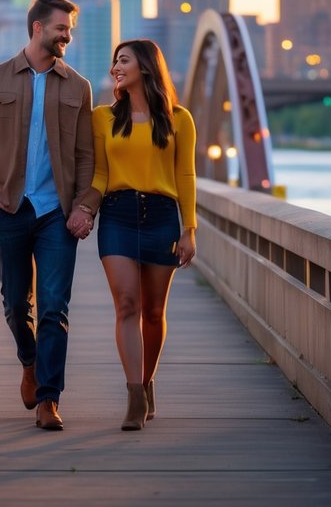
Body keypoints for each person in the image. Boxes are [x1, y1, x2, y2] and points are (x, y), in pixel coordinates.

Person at [0, 0, 96, 431]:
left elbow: (86, 157)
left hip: (57, 213)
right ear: (37, 27)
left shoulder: (78, 87)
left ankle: (48, 400)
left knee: (55, 306)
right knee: (16, 303)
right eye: (61, 28)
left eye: (70, 30)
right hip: (9, 209)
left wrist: (85, 206)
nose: (67, 37)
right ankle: (29, 361)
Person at [87, 39, 197, 431]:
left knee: (153, 311)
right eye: (114, 60)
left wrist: (189, 229)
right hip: (117, 215)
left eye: (124, 60)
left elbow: (185, 175)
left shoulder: (179, 119)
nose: (116, 66)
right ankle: (135, 396)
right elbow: (99, 173)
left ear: (146, 67)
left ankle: (148, 381)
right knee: (127, 305)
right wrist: (86, 209)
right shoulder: (102, 117)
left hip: (163, 217)